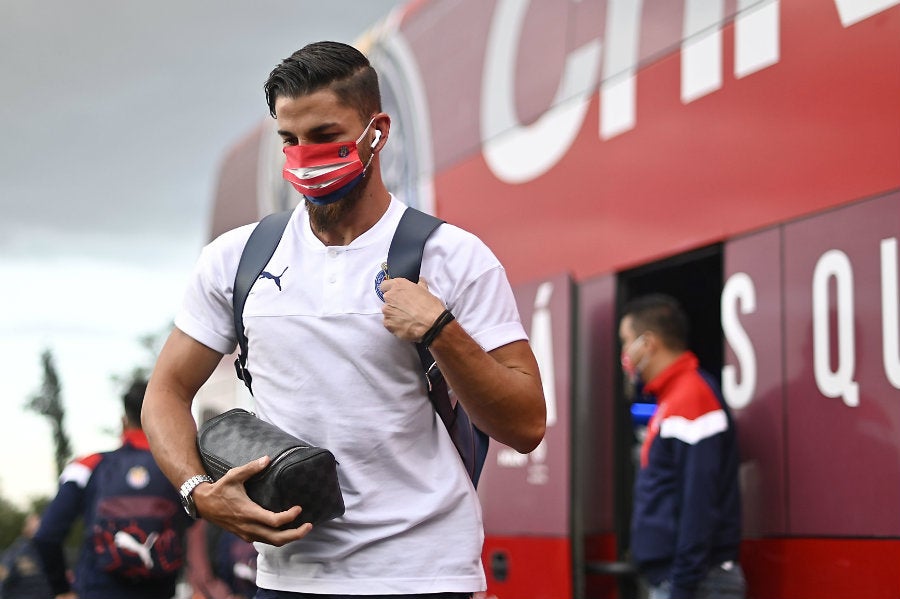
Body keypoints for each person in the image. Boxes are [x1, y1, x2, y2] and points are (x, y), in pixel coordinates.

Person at [141, 40, 546, 599]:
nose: (304, 155)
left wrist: (440, 331)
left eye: (325, 136)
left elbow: (526, 426)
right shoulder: (236, 259)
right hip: (290, 576)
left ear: (375, 131)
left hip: (423, 574)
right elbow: (164, 392)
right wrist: (196, 491)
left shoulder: (453, 256)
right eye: (290, 140)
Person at [618, 294, 745, 599]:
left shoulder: (691, 398)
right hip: (681, 580)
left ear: (647, 344)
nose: (624, 354)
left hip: (697, 583)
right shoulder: (673, 398)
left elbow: (699, 501)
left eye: (626, 341)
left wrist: (682, 586)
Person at [33, 380, 191, 599]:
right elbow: (195, 531)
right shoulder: (182, 470)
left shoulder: (88, 466)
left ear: (123, 421)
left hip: (98, 589)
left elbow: (46, 535)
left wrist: (61, 590)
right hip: (159, 591)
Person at [0, 512, 54, 599]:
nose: (39, 527)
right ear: (26, 529)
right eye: (35, 525)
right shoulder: (17, 551)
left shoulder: (49, 551)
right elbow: (3, 574)